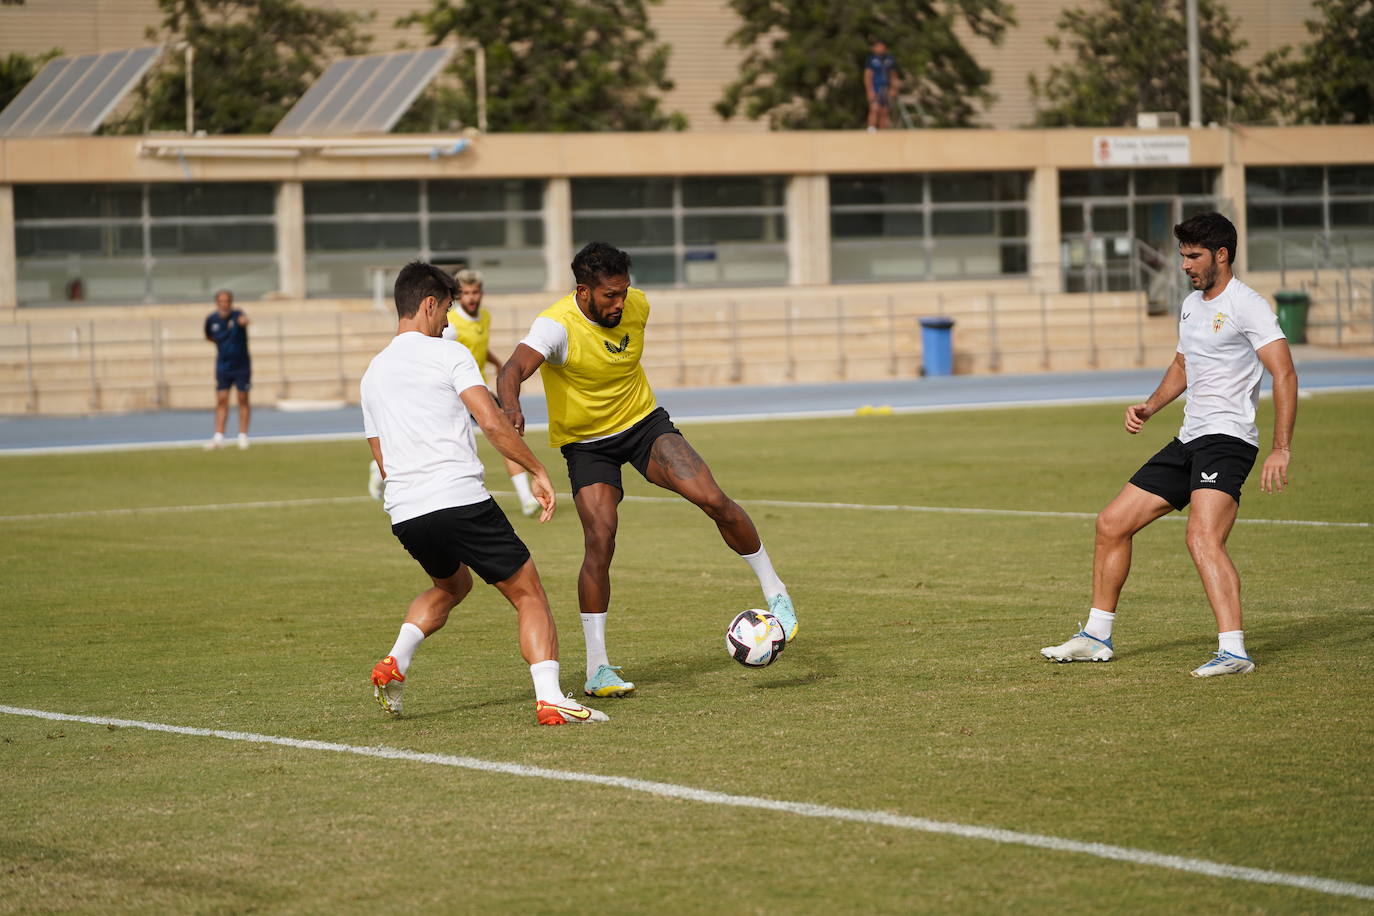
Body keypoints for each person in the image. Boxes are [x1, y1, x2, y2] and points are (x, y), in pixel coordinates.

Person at [497, 241, 797, 699]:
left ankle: (776, 593)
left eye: (624, 292)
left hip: (643, 425)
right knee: (600, 539)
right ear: (583, 291)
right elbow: (512, 369)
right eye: (610, 296)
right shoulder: (555, 325)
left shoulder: (638, 305)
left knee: (713, 498)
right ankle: (598, 668)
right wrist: (512, 406)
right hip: (586, 445)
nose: (620, 303)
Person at [1040, 212, 1298, 678]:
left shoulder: (1247, 305)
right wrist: (1149, 407)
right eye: (1182, 255)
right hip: (1189, 438)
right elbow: (1183, 364)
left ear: (1221, 255)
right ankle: (1097, 636)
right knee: (1111, 523)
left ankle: (1234, 651)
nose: (1184, 265)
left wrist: (1281, 447)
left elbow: (1284, 372)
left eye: (1193, 256)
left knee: (1201, 536)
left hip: (1228, 440)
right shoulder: (1190, 304)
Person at [362, 260, 606, 726]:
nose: (450, 321)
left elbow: (381, 457)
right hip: (458, 499)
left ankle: (396, 661)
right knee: (528, 593)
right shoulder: (448, 354)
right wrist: (536, 469)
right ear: (429, 304)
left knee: (452, 585)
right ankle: (551, 698)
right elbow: (491, 421)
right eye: (447, 310)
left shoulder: (372, 373)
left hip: (406, 511)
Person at [366, 269, 540, 518]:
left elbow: (481, 345)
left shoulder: (484, 318)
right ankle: (526, 494)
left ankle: (526, 499)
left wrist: (495, 362)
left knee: (503, 430)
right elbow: (428, 353)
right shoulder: (449, 329)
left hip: (473, 385)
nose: (471, 298)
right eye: (466, 293)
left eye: (475, 292)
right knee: (498, 427)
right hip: (458, 390)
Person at [203, 289, 251, 450]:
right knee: (222, 399)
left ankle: (243, 436)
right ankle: (219, 436)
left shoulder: (237, 315)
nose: (225, 304)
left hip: (241, 365)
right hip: (223, 366)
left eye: (227, 301)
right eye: (221, 301)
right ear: (217, 303)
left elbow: (244, 320)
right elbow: (209, 335)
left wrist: (244, 322)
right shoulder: (211, 319)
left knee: (242, 398)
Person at [863, 40, 899, 132]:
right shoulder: (871, 60)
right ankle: (871, 129)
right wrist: (869, 90)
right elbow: (867, 75)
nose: (880, 49)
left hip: (886, 87)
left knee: (885, 110)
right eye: (878, 46)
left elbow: (893, 75)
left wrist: (894, 88)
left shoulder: (889, 59)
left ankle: (883, 131)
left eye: (882, 47)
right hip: (876, 86)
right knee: (874, 108)